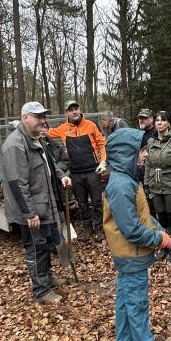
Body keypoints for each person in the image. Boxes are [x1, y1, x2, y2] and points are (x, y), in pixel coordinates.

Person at [103, 128, 171, 341]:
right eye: (141, 151)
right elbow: (132, 230)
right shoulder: (121, 185)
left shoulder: (128, 179)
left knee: (125, 298)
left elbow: (141, 217)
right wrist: (159, 240)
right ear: (127, 153)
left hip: (130, 256)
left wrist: (158, 228)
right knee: (137, 304)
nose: (145, 155)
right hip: (131, 255)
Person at [1, 102, 73, 305]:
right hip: (32, 211)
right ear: (25, 117)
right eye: (38, 116)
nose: (43, 120)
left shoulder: (37, 139)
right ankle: (40, 290)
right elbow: (17, 183)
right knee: (35, 248)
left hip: (44, 204)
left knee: (46, 244)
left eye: (44, 116)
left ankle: (47, 277)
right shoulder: (16, 145)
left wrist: (61, 176)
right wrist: (29, 213)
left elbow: (48, 164)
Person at [47, 100, 107, 242]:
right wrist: (22, 126)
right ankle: (87, 229)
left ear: (80, 110)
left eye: (76, 108)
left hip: (93, 170)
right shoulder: (62, 129)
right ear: (66, 113)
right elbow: (45, 132)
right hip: (76, 173)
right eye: (71, 109)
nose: (74, 111)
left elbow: (101, 143)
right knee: (81, 203)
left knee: (97, 201)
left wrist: (103, 161)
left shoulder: (91, 125)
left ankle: (99, 228)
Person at [144, 111, 171, 264]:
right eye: (157, 120)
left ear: (169, 123)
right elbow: (148, 164)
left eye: (163, 120)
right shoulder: (151, 142)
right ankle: (164, 245)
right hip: (156, 187)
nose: (159, 123)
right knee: (161, 220)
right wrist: (147, 184)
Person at [136, 108, 157, 182]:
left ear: (151, 119)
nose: (141, 120)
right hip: (139, 172)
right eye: (140, 118)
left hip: (153, 173)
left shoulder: (157, 134)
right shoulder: (137, 134)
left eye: (144, 118)